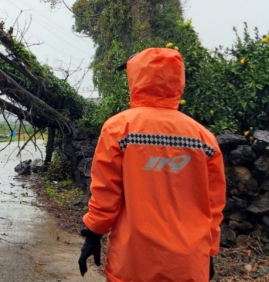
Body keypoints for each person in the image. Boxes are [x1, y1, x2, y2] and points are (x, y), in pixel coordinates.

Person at [78, 47, 226, 281]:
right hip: (187, 263)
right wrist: (209, 252)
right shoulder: (204, 138)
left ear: (136, 78)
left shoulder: (119, 129)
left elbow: (106, 192)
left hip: (133, 260)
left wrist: (93, 233)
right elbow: (213, 205)